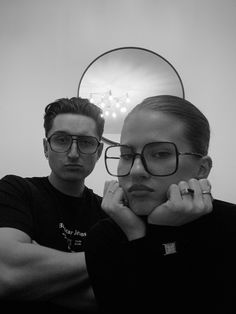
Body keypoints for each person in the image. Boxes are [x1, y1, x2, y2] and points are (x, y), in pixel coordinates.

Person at [85, 95, 236, 314]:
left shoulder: (230, 228)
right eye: (126, 155)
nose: (136, 170)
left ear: (202, 168)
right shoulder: (106, 237)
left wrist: (154, 235)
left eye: (160, 154)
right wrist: (149, 236)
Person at [0, 97, 107, 313]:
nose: (74, 153)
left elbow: (114, 296)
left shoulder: (108, 212)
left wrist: (36, 275)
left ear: (99, 151)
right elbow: (8, 273)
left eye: (86, 142)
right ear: (46, 147)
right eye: (61, 140)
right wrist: (108, 258)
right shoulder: (15, 190)